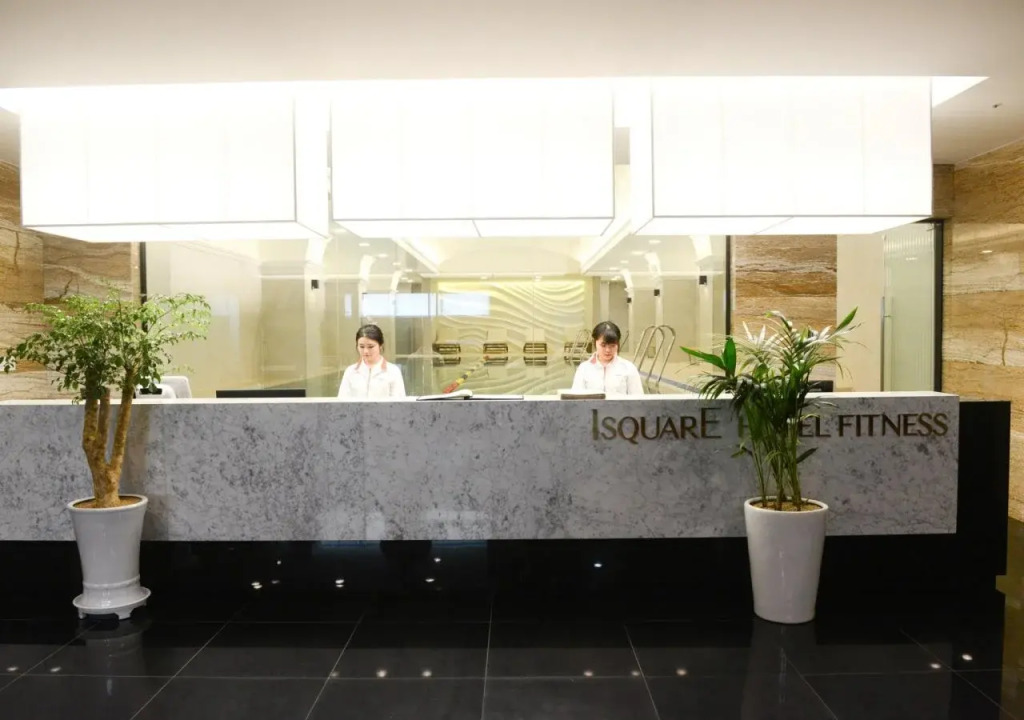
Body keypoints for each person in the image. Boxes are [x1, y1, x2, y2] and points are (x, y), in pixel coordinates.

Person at [571, 321, 644, 395]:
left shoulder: (628, 368)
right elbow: (576, 398)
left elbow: (638, 398)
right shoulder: (584, 369)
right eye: (603, 345)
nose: (608, 350)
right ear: (595, 342)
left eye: (612, 346)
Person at [337, 324, 407, 399]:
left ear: (380, 346)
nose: (365, 351)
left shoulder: (393, 371)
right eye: (361, 346)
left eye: (370, 346)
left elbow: (399, 402)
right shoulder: (350, 371)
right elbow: (342, 401)